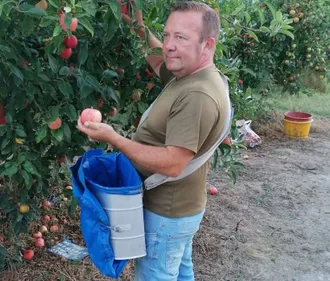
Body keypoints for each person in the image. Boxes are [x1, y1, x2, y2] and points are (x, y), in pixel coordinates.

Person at [77, 1, 230, 280]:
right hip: (180, 210)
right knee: (181, 273)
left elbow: (173, 164)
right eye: (167, 34)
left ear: (207, 45)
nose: (169, 44)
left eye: (180, 37)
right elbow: (159, 59)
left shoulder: (197, 95)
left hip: (166, 214)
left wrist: (114, 138)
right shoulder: (190, 74)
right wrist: (136, 24)